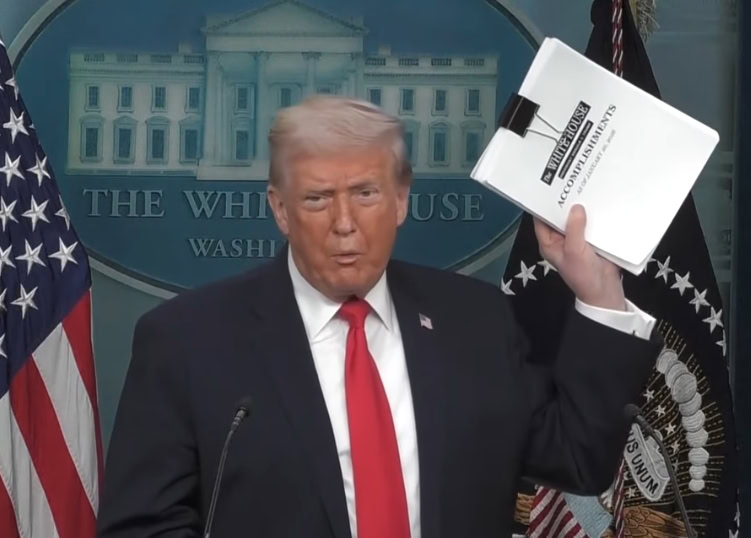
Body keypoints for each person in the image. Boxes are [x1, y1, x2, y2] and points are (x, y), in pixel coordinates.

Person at [97, 96, 661, 538]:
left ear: (401, 200)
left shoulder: (475, 321)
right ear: (280, 209)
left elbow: (578, 460)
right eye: (318, 198)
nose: (344, 222)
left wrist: (599, 291)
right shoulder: (188, 342)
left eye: (366, 193)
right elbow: (142, 528)